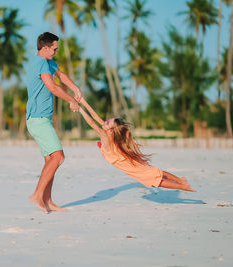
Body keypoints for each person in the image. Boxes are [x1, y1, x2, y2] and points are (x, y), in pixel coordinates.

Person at [77, 97, 196, 192]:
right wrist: (82, 101)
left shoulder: (106, 137)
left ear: (111, 130)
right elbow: (95, 117)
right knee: (154, 172)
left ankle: (182, 185)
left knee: (154, 177)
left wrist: (80, 109)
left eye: (108, 122)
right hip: (129, 163)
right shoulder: (110, 134)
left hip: (132, 167)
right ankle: (179, 180)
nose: (106, 121)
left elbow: (92, 123)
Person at [26, 32, 82, 213]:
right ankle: (36, 195)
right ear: (45, 48)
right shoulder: (40, 63)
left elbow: (61, 75)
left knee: (51, 160)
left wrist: (76, 89)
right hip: (38, 119)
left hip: (42, 120)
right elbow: (52, 86)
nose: (56, 52)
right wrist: (71, 100)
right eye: (55, 49)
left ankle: (47, 200)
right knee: (58, 157)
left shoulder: (47, 63)